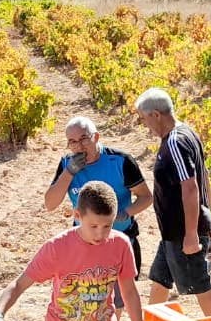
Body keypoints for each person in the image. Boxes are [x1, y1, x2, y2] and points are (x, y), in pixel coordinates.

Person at [0, 181, 145, 321]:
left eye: (107, 226)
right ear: (77, 215)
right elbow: (19, 284)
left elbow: (129, 292)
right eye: (93, 226)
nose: (100, 234)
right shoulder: (57, 248)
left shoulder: (120, 244)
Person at [133, 87, 211, 317]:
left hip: (184, 234)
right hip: (172, 234)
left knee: (201, 287)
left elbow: (191, 187)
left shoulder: (175, 142)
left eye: (144, 119)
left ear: (156, 114)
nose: (145, 125)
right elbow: (205, 178)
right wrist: (208, 214)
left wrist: (192, 234)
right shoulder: (186, 133)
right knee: (160, 281)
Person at [42, 115, 152, 296]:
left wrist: (124, 213)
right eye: (72, 142)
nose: (79, 146)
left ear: (96, 137)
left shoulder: (121, 161)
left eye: (84, 139)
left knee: (119, 298)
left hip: (121, 239)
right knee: (87, 297)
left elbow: (146, 197)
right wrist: (69, 173)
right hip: (84, 245)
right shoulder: (66, 165)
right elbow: (50, 204)